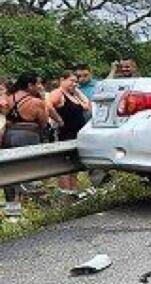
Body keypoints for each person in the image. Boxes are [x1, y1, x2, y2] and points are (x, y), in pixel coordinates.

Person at [2, 74, 50, 218]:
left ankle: (12, 212)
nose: (39, 87)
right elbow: (44, 123)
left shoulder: (8, 99)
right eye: (37, 84)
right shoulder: (35, 102)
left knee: (9, 173)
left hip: (8, 136)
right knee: (32, 172)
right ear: (30, 85)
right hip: (29, 137)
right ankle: (39, 209)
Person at [46, 70, 91, 195]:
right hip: (65, 134)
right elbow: (48, 106)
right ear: (62, 80)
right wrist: (59, 120)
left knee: (74, 165)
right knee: (65, 165)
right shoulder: (58, 93)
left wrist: (76, 90)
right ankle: (66, 192)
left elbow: (87, 105)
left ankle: (74, 191)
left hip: (76, 134)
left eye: (76, 82)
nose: (74, 84)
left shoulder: (73, 94)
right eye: (71, 81)